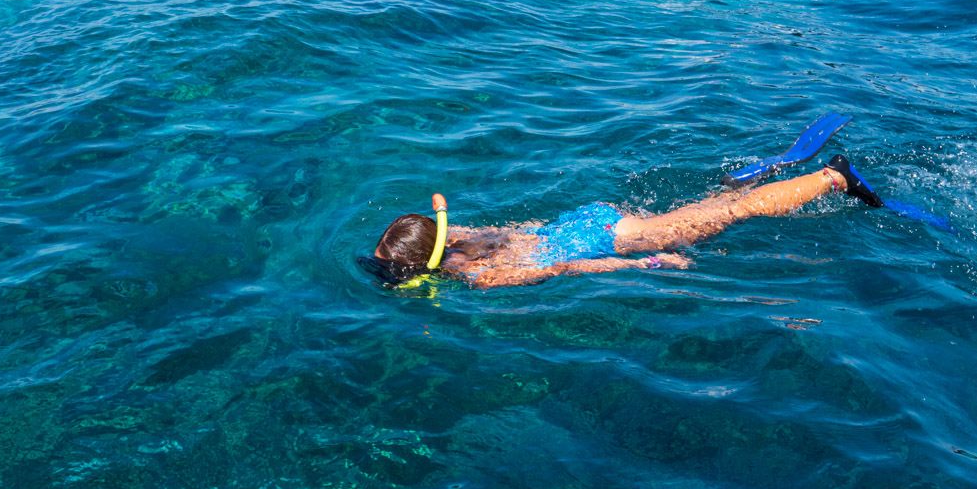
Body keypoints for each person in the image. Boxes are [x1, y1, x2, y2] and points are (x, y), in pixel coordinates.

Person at [364, 155, 884, 290]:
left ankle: (830, 178)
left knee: (731, 215)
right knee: (702, 214)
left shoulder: (480, 275)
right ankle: (759, 178)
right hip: (585, 219)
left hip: (610, 237)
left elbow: (575, 270)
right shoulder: (460, 238)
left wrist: (654, 262)